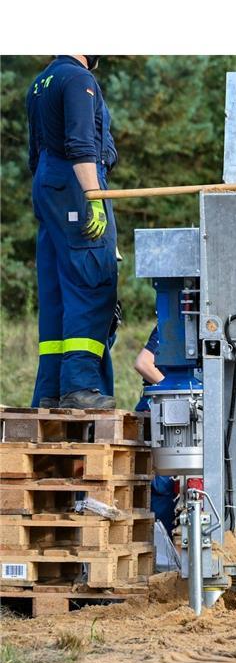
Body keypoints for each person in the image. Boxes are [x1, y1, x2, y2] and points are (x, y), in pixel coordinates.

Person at [26, 55, 119, 409]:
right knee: (90, 281)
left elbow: (34, 155)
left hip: (48, 186)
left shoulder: (40, 83)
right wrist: (93, 197)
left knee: (57, 292)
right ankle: (80, 387)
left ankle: (49, 391)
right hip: (77, 183)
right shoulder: (78, 80)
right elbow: (81, 144)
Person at [132, 325, 177, 536]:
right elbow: (143, 363)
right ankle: (158, 550)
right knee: (161, 484)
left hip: (178, 415)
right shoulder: (173, 323)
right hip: (159, 412)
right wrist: (176, 393)